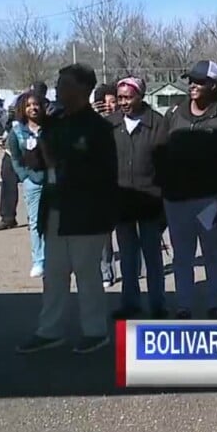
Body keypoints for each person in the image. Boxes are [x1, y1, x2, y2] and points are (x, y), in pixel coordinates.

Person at [16, 64, 119, 355]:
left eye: (64, 85)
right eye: (58, 84)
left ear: (83, 90)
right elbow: (37, 159)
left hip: (87, 213)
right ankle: (49, 331)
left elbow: (104, 175)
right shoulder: (54, 122)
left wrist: (60, 163)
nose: (58, 89)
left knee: (87, 274)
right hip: (56, 209)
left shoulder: (98, 129)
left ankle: (95, 331)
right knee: (54, 273)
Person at [158, 60, 217, 320]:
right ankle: (184, 306)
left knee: (213, 253)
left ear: (213, 85)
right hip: (176, 200)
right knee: (182, 257)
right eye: (190, 80)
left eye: (199, 81)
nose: (193, 85)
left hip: (210, 199)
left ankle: (215, 303)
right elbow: (161, 154)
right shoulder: (175, 114)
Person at [109, 77, 170, 320]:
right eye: (120, 97)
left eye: (128, 97)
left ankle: (157, 304)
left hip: (150, 201)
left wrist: (165, 201)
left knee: (153, 257)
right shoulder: (110, 124)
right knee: (127, 256)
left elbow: (166, 164)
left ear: (140, 96)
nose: (123, 102)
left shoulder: (157, 123)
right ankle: (130, 303)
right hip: (121, 202)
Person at [0, 81, 53, 232]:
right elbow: (7, 123)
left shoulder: (48, 107)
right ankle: (7, 217)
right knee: (8, 181)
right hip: (14, 149)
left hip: (35, 152)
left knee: (38, 185)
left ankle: (35, 217)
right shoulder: (18, 102)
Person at [7, 91, 48, 277]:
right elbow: (15, 157)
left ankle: (55, 258)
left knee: (54, 221)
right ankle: (39, 260)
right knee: (35, 222)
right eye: (29, 105)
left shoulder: (51, 128)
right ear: (23, 108)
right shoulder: (17, 131)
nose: (33, 108)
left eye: (36, 104)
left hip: (53, 181)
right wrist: (24, 176)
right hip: (32, 182)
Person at [93, 83, 120, 288]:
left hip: (125, 184)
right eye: (105, 103)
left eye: (113, 101)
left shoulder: (124, 123)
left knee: (129, 231)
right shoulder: (94, 125)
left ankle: (136, 266)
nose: (110, 106)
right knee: (103, 236)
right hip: (101, 186)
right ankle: (106, 271)